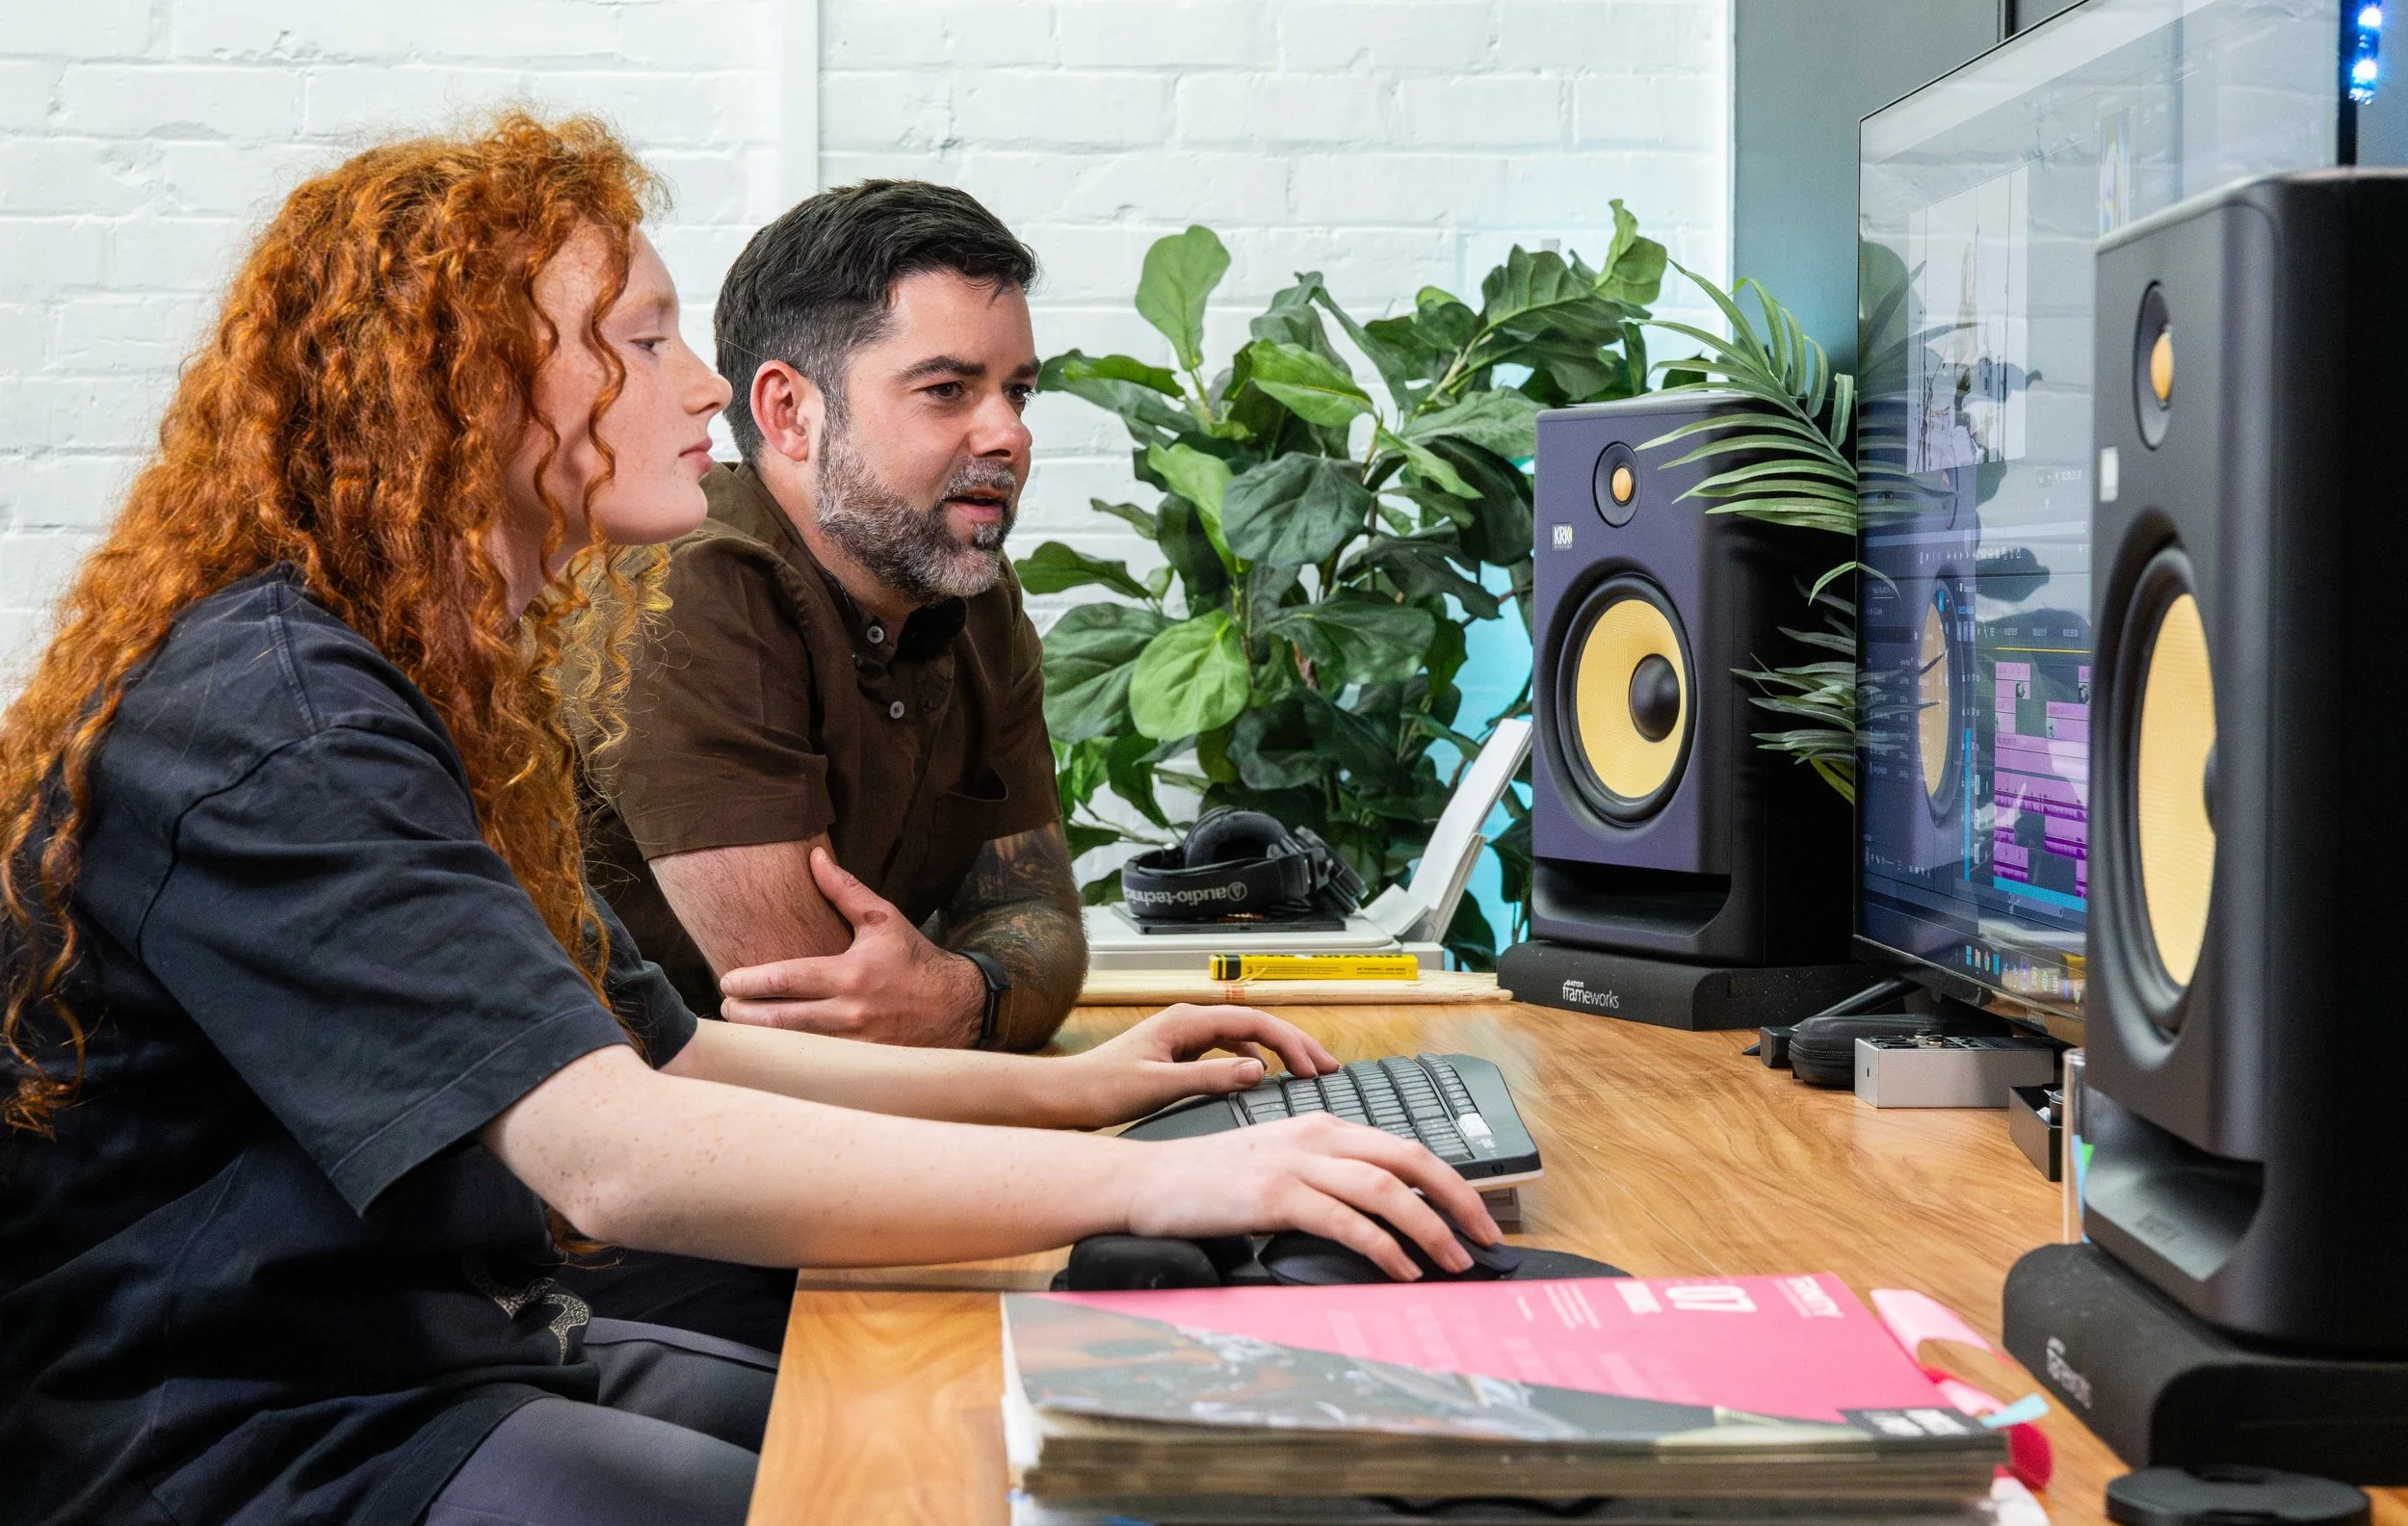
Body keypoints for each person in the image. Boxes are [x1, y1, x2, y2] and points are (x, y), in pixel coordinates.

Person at [0, 115, 1501, 1526]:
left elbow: (682, 1047)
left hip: (452, 1343)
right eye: (645, 343)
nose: (709, 383)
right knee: (934, 1489)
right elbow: (615, 1151)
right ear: (469, 389)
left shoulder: (426, 681)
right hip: (244, 1428)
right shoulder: (284, 715)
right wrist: (1175, 1174)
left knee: (995, 1422)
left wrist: (1089, 1090)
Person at [577, 181, 1083, 1052]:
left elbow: (1040, 915)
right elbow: (820, 1022)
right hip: (645, 1151)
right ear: (789, 413)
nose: (1009, 434)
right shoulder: (694, 585)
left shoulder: (976, 596)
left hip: (835, 1139)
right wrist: (987, 998)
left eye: (1018, 392)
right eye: (947, 390)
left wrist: (961, 993)